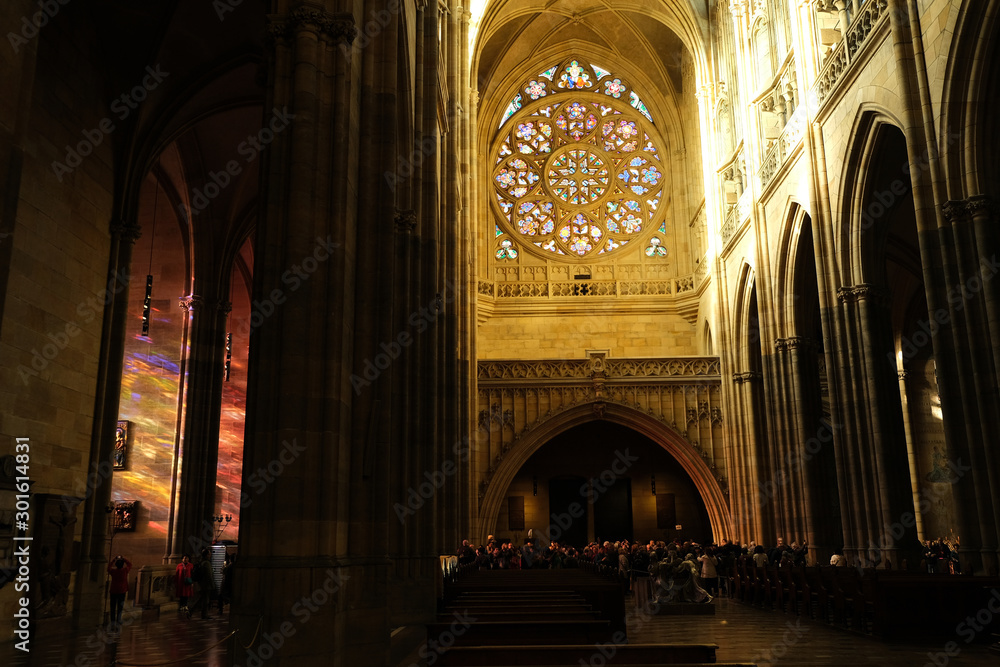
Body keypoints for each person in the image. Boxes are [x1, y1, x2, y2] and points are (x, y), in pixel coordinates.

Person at [189, 548, 217, 618]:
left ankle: (193, 611)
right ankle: (202, 614)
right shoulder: (206, 563)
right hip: (206, 585)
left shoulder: (202, 562)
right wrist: (213, 585)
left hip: (202, 584)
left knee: (202, 599)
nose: (210, 555)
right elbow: (209, 575)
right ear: (207, 555)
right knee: (205, 600)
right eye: (209, 554)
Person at [107, 555, 132, 629]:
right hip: (122, 591)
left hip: (114, 591)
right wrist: (124, 559)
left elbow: (108, 568)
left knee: (113, 607)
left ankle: (112, 620)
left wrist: (113, 560)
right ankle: (118, 619)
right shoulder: (125, 571)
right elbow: (130, 564)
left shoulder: (114, 572)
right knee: (120, 607)